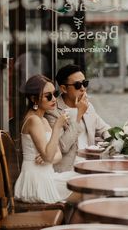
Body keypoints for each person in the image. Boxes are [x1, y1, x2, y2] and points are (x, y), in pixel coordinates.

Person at [14, 74, 77, 204]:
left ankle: (71, 223)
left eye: (54, 94)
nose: (54, 99)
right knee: (84, 191)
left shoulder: (43, 120)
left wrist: (47, 158)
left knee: (82, 182)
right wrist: (57, 127)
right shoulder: (33, 120)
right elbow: (49, 156)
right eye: (48, 96)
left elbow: (57, 155)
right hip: (35, 181)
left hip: (47, 175)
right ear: (34, 99)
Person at [45, 64, 110, 172]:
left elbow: (104, 129)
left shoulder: (87, 106)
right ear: (63, 88)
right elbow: (62, 146)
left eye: (85, 83)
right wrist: (79, 114)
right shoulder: (53, 111)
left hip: (90, 165)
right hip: (67, 170)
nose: (83, 89)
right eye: (77, 85)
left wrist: (122, 140)